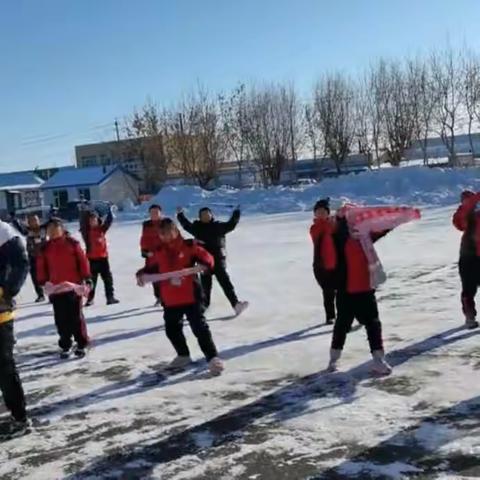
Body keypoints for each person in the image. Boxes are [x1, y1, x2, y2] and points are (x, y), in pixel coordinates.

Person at [136, 218, 224, 375]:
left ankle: (212, 358)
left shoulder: (189, 246)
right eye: (162, 233)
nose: (166, 236)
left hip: (190, 295)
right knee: (172, 329)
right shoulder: (158, 251)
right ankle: (183, 355)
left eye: (169, 232)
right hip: (170, 298)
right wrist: (141, 275)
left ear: (175, 231)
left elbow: (207, 258)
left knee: (200, 328)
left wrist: (205, 264)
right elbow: (149, 268)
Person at [324, 210, 392, 375]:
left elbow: (381, 227)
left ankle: (378, 359)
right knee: (342, 325)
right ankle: (333, 360)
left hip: (366, 289)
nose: (356, 227)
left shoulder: (365, 238)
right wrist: (341, 217)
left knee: (373, 324)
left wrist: (398, 216)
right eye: (352, 223)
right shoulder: (339, 239)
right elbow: (333, 230)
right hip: (345, 291)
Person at [176, 205, 248, 315]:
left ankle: (236, 304)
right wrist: (180, 214)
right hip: (204, 262)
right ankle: (203, 307)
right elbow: (186, 225)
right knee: (205, 287)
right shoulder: (197, 228)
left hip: (218, 260)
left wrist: (236, 213)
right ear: (199, 217)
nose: (206, 216)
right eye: (203, 215)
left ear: (211, 215)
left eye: (207, 214)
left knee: (226, 283)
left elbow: (231, 225)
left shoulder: (218, 226)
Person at [37, 218, 92, 359]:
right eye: (50, 229)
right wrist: (43, 281)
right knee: (61, 319)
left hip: (73, 287)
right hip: (56, 288)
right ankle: (65, 345)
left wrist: (86, 278)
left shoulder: (72, 244)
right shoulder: (45, 247)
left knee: (76, 317)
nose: (52, 231)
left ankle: (82, 343)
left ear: (62, 228)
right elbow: (41, 265)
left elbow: (83, 261)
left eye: (55, 228)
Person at [0, 220, 30, 438]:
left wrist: (7, 291)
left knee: (4, 366)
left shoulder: (2, 231)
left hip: (0, 313)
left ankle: (20, 418)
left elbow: (21, 262)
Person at [79, 206, 119, 306]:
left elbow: (109, 221)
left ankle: (110, 297)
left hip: (103, 259)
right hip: (91, 260)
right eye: (91, 220)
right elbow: (82, 220)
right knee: (92, 281)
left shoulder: (101, 229)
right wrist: (85, 209)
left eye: (94, 219)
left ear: (98, 220)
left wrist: (110, 210)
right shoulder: (86, 232)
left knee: (108, 280)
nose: (92, 221)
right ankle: (90, 299)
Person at [452, 190, 480, 329]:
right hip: (468, 257)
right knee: (468, 290)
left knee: (468, 290)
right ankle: (470, 316)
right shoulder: (463, 216)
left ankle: (470, 316)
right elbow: (459, 223)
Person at [310, 198, 337, 324]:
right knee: (328, 292)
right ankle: (330, 316)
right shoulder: (315, 228)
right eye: (318, 211)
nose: (321, 214)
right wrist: (330, 222)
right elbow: (321, 232)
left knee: (341, 291)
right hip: (321, 267)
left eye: (323, 211)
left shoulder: (333, 225)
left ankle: (347, 314)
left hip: (335, 264)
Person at [10, 213, 47, 302]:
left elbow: (55, 223)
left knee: (49, 276)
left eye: (35, 220)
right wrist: (14, 219)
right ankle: (40, 294)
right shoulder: (27, 231)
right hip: (33, 257)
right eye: (31, 221)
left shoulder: (44, 228)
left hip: (45, 256)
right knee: (35, 277)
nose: (34, 222)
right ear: (28, 223)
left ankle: (52, 293)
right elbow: (19, 227)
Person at [140, 204, 164, 307]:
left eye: (156, 212)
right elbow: (144, 239)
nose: (154, 214)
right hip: (152, 256)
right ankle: (159, 297)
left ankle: (168, 296)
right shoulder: (147, 225)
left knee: (167, 276)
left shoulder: (166, 223)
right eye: (152, 212)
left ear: (160, 213)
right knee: (155, 278)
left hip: (165, 255)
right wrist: (144, 251)